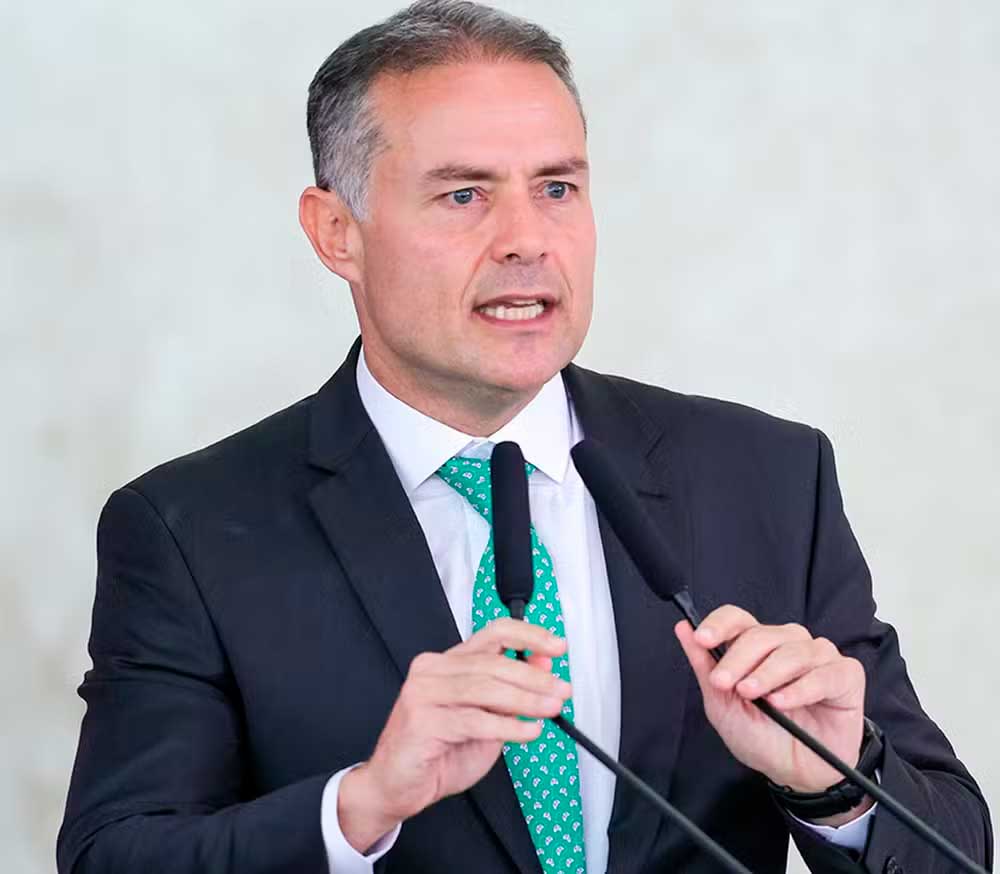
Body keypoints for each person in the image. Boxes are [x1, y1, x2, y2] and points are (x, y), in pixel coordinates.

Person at [57, 2, 991, 872]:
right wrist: (360, 806)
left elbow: (956, 848)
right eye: (464, 195)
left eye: (556, 187)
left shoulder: (767, 479)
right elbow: (116, 855)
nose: (526, 240)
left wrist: (834, 784)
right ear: (337, 232)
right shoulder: (186, 531)